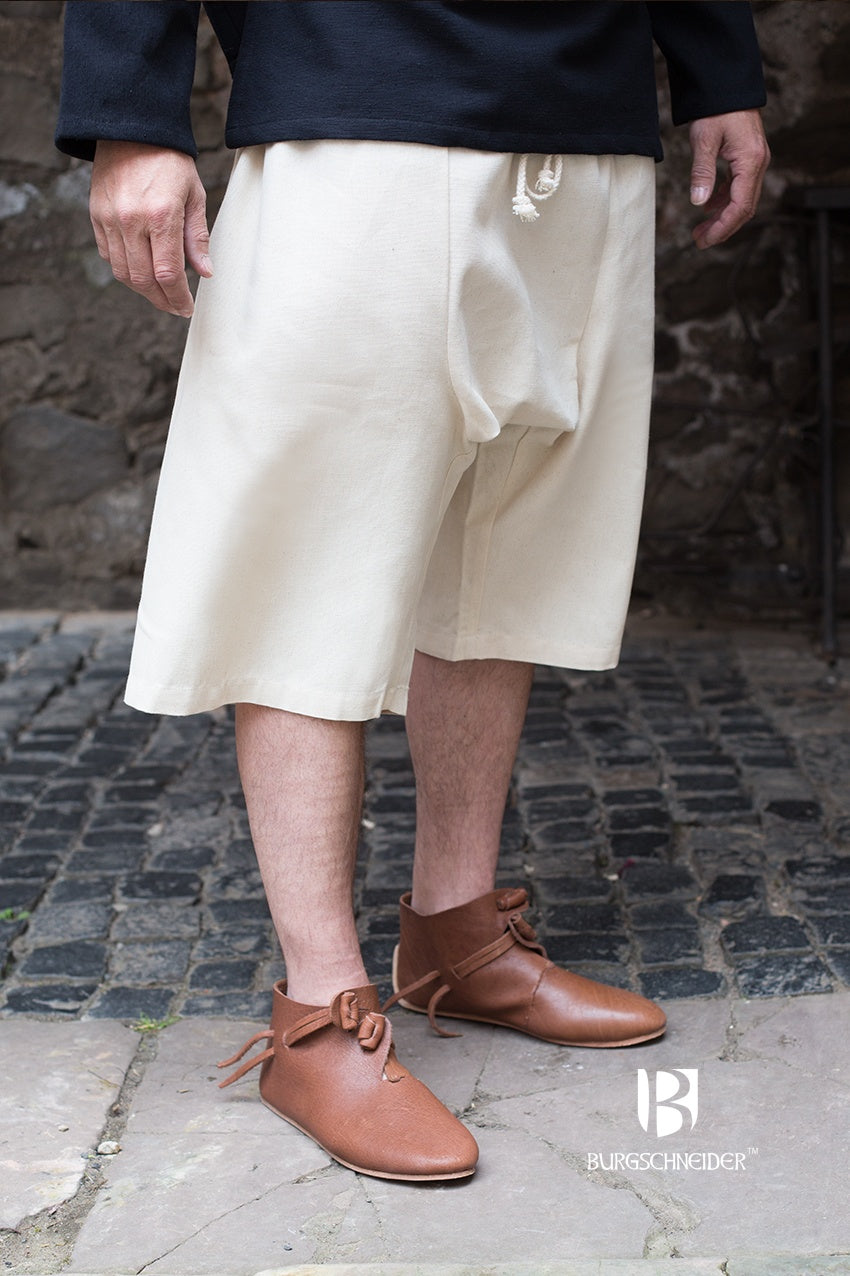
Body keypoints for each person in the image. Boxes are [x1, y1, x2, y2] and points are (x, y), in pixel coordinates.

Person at [57, 1, 769, 1182]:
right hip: (356, 100)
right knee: (306, 573)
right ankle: (318, 1011)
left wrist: (714, 64)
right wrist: (129, 117)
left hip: (584, 124)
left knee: (507, 557)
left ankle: (455, 933)